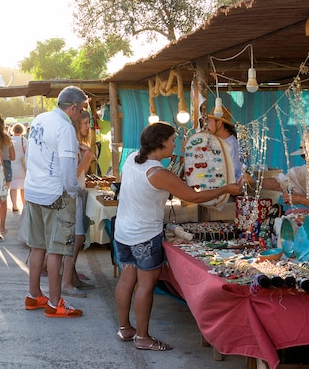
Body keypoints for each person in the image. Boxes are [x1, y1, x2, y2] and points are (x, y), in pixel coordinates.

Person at [114, 122, 242, 348]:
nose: (175, 144)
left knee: (127, 279)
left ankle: (125, 328)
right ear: (161, 143)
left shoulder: (133, 159)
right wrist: (225, 189)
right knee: (145, 286)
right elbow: (195, 197)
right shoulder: (158, 173)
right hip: (144, 234)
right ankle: (142, 338)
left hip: (124, 232)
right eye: (173, 140)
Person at [24, 86, 86, 317]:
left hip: (34, 190)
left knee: (37, 245)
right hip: (56, 194)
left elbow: (31, 155)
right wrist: (72, 191)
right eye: (80, 110)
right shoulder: (65, 128)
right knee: (56, 249)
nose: (80, 115)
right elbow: (68, 168)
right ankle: (54, 302)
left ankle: (33, 295)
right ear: (72, 108)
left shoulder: (40, 119)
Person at [61, 110, 97, 298]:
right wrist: (87, 157)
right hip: (71, 194)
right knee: (76, 239)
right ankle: (67, 281)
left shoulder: (76, 144)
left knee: (77, 238)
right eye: (84, 123)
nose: (87, 127)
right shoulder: (73, 145)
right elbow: (73, 173)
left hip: (74, 193)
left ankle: (71, 276)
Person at [261, 130, 309, 212]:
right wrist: (253, 181)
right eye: (303, 156)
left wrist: (302, 200)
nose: (306, 159)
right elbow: (280, 183)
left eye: (308, 155)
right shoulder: (308, 171)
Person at [0, 115, 15, 233]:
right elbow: (13, 156)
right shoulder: (7, 138)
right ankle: (2, 226)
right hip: (7, 167)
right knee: (3, 199)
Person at [205, 104, 242, 181]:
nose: (207, 126)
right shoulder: (216, 142)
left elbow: (234, 174)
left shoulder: (232, 146)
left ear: (219, 124)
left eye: (209, 122)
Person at [8, 123, 27, 212]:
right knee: (23, 188)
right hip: (21, 166)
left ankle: (14, 205)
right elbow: (27, 153)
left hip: (11, 166)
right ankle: (24, 204)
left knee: (13, 187)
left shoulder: (9, 140)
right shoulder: (24, 140)